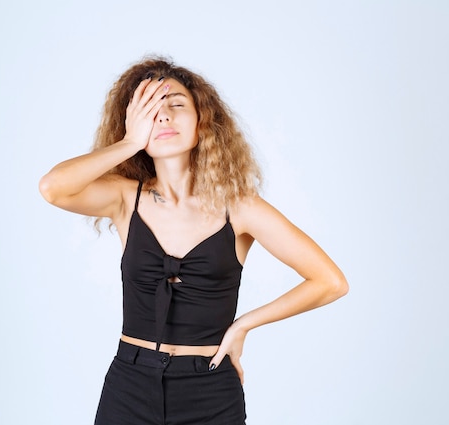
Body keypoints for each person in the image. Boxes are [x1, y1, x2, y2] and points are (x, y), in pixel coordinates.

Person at [39, 56, 348, 425]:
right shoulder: (124, 198)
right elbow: (52, 188)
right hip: (129, 385)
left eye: (176, 104)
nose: (164, 116)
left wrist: (244, 325)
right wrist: (129, 142)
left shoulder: (241, 207)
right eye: (150, 108)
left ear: (202, 121)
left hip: (210, 390)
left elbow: (330, 282)